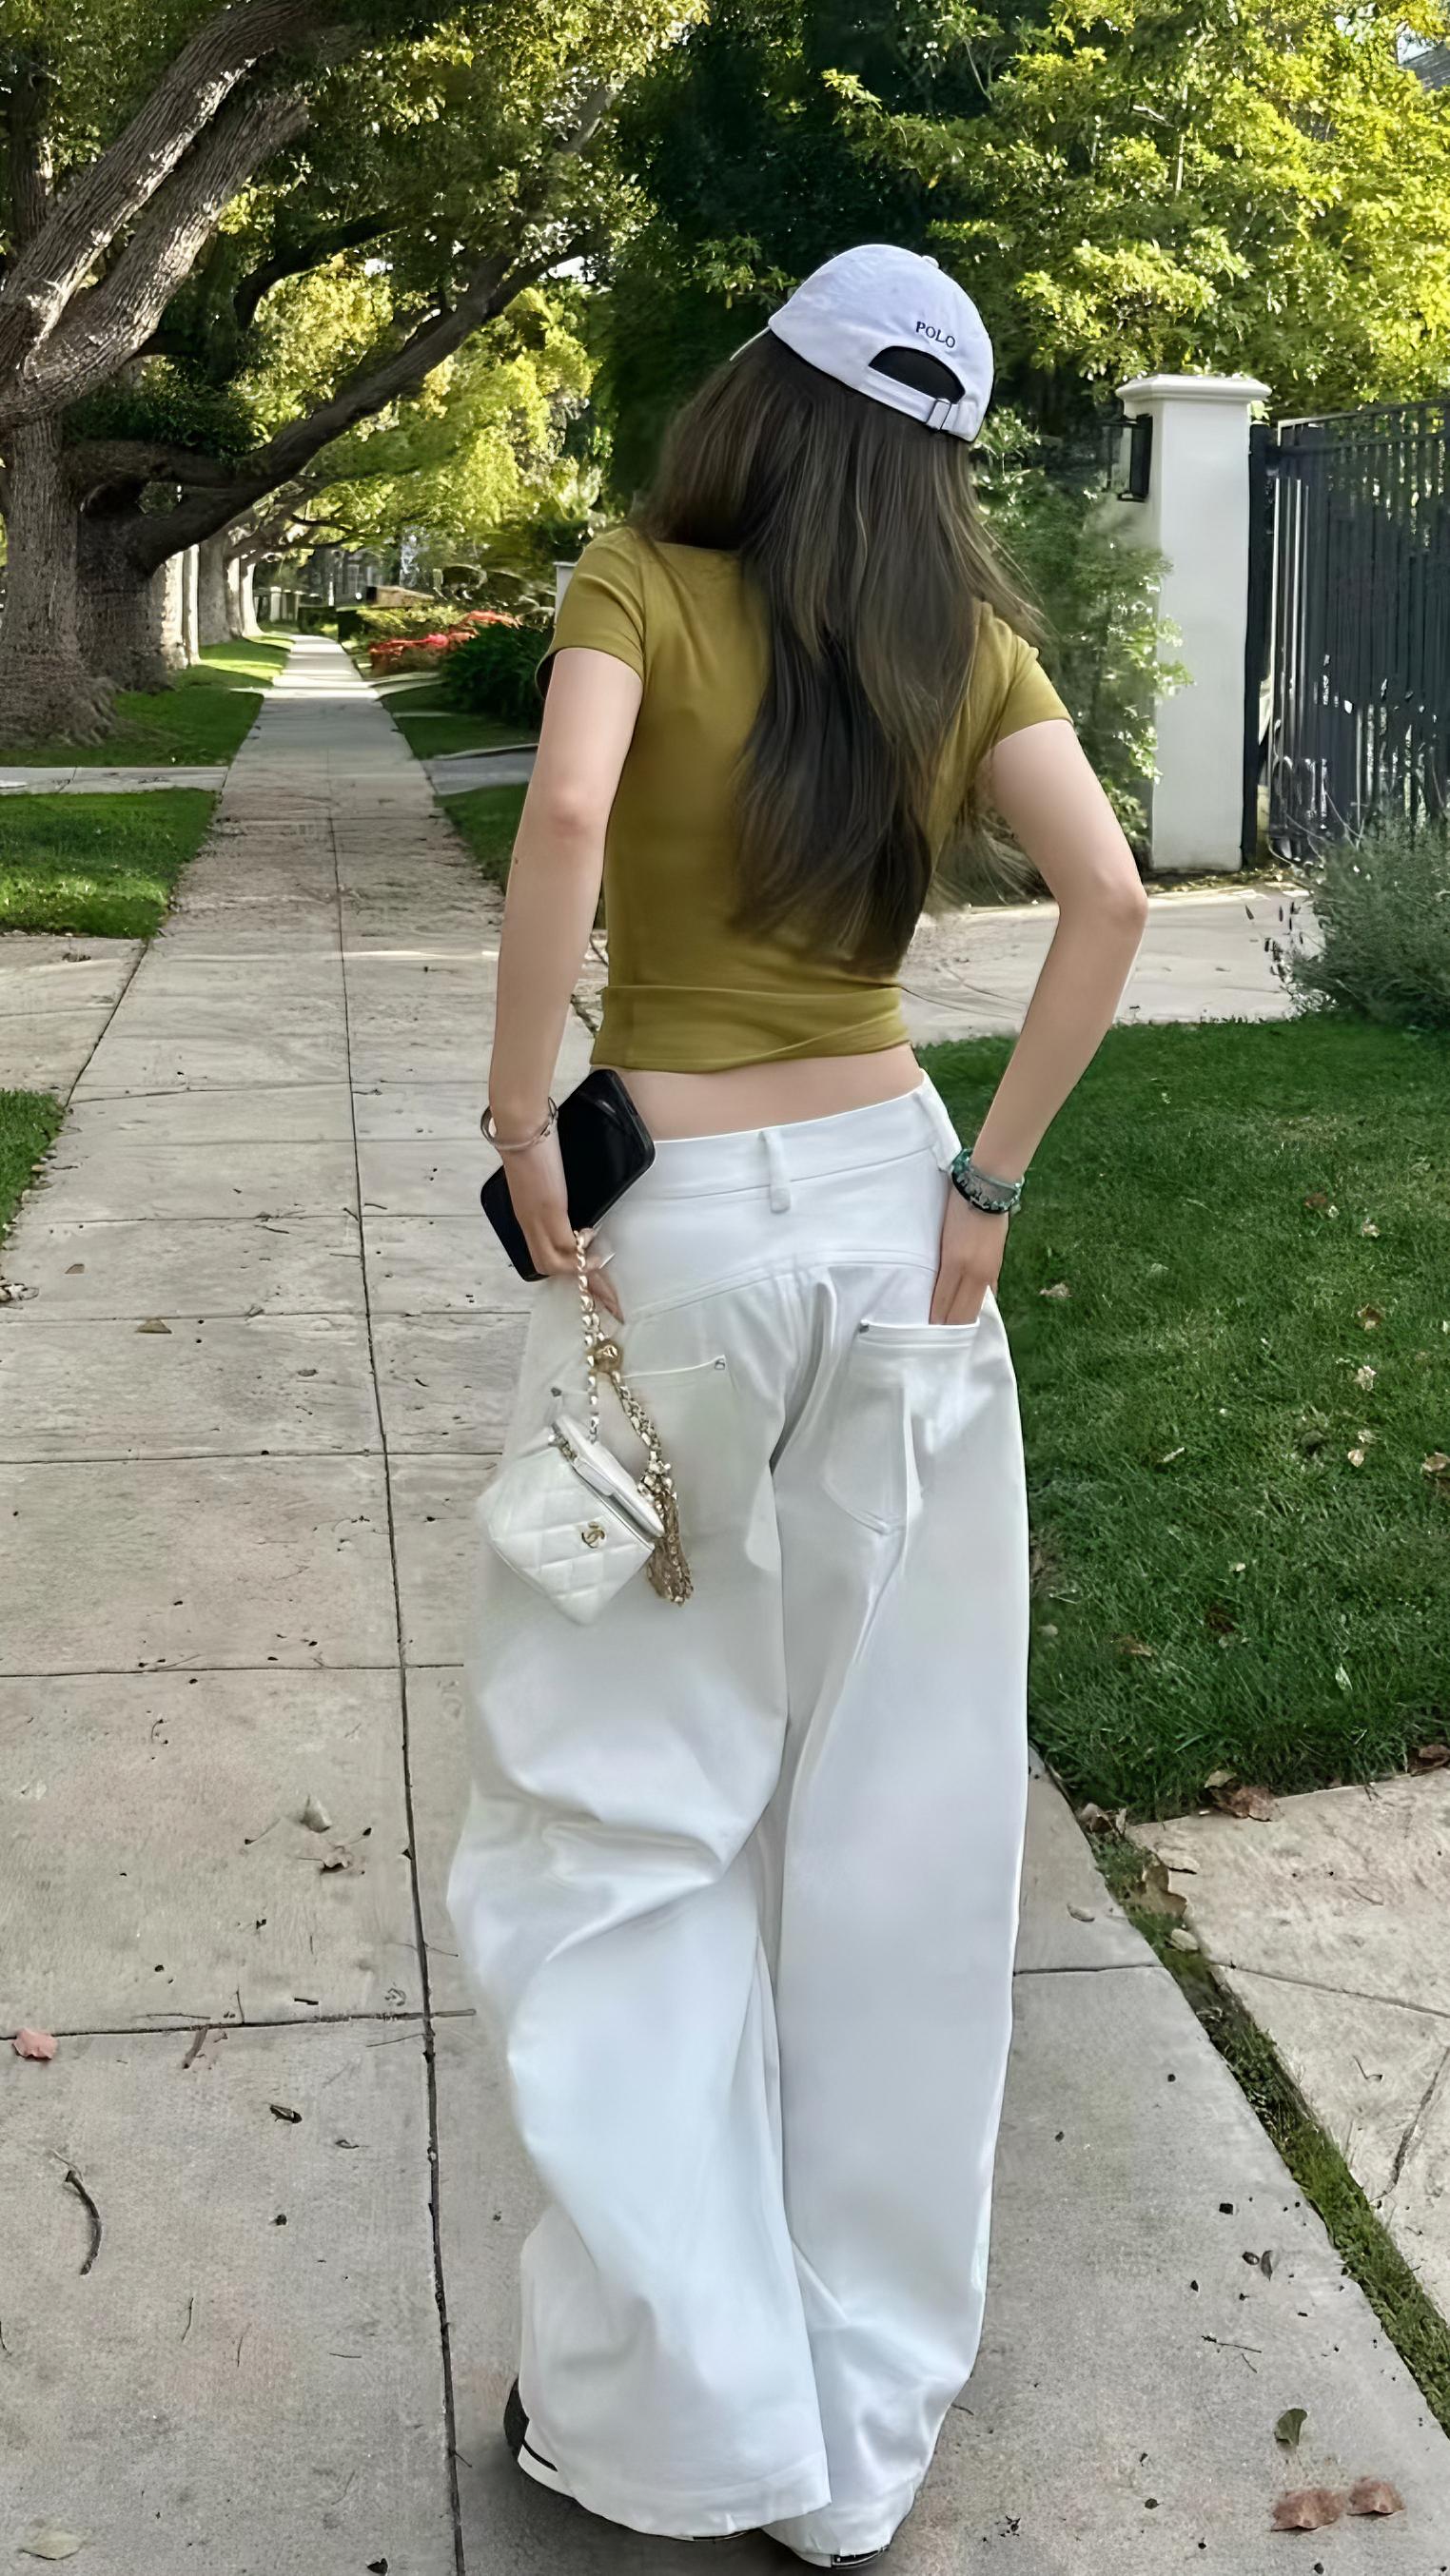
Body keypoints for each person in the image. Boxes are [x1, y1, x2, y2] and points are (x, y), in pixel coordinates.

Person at [447, 243, 1147, 2566]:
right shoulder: (966, 648)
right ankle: (853, 2434)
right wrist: (990, 1187)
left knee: (625, 1806)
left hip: (683, 1239)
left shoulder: (641, 579)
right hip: (889, 1218)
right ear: (939, 461)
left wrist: (522, 1117)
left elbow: (564, 823)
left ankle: (671, 2411)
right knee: (892, 1811)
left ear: (762, 394)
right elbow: (1107, 896)